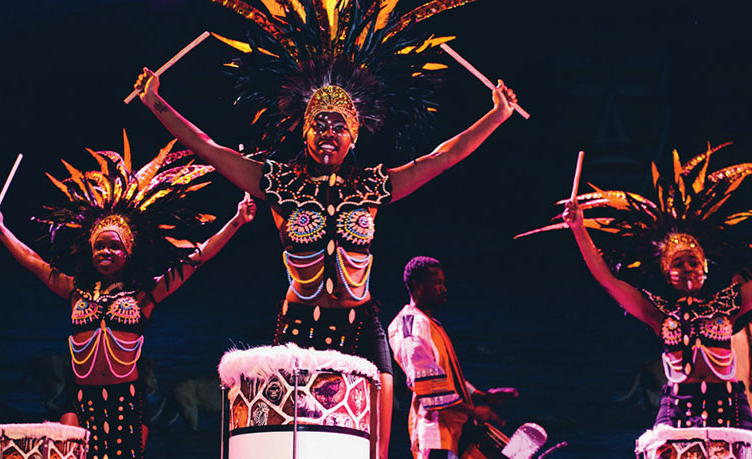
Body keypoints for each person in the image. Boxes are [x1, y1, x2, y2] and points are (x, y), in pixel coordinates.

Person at [132, 2, 519, 456]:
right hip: (299, 325)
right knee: (297, 444)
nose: (329, 131)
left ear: (354, 135)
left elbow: (442, 157)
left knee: (374, 442)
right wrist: (156, 103)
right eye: (320, 123)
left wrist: (496, 115)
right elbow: (208, 147)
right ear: (305, 131)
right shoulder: (277, 182)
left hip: (361, 324)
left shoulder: (374, 185)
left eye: (340, 125)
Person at [0, 140, 256, 458]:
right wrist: (1, 230)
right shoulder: (75, 290)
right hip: (80, 400)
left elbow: (194, 260)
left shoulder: (144, 295)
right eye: (99, 246)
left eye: (113, 246)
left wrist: (236, 222)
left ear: (128, 253)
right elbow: (35, 262)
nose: (105, 251)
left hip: (126, 404)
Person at [520, 144, 752, 429]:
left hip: (729, 406)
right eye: (678, 264)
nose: (688, 268)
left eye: (693, 262)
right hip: (678, 408)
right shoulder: (657, 311)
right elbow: (608, 280)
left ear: (705, 269)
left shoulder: (728, 302)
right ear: (667, 275)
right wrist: (580, 229)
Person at [388, 256, 518, 459]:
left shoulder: (430, 324)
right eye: (437, 283)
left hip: (454, 433)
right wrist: (474, 411)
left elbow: (442, 377)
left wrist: (482, 397)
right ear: (416, 285)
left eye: (443, 283)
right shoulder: (410, 325)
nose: (444, 288)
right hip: (434, 435)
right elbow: (426, 383)